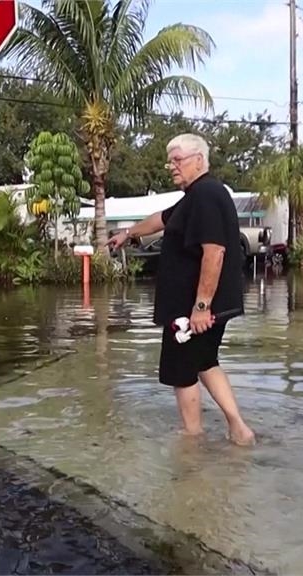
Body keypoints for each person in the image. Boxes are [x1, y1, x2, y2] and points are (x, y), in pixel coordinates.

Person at [108, 133, 255, 445]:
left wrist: (201, 306)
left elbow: (214, 252)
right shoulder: (198, 196)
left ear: (199, 160)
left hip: (193, 310)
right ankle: (239, 430)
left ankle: (192, 438)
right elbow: (161, 219)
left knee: (181, 371)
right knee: (205, 362)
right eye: (169, 160)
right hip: (202, 306)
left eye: (178, 160)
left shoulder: (205, 195)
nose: (171, 166)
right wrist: (128, 233)